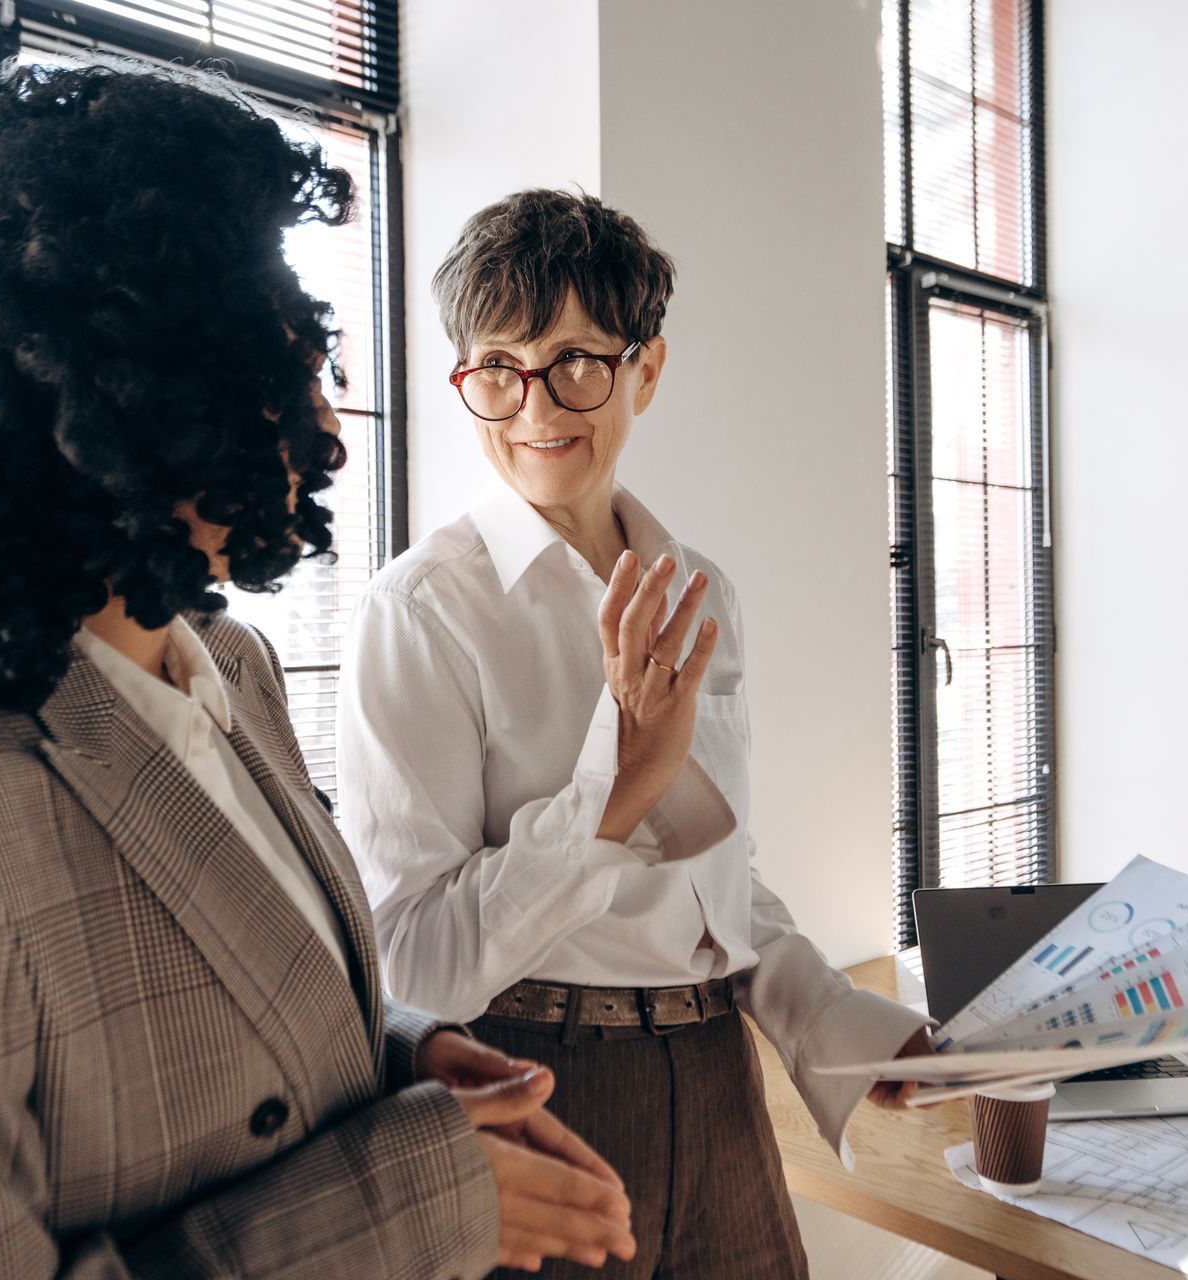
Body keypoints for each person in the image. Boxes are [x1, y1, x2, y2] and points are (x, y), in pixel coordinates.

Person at [0, 63, 637, 1279]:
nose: (330, 429)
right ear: (127, 386)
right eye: (287, 365)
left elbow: (203, 1024)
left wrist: (397, 1054)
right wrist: (423, 1190)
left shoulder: (223, 670)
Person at [337, 189, 933, 1279]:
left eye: (575, 360)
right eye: (499, 366)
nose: (535, 405)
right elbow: (412, 954)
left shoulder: (701, 588)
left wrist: (844, 1021)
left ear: (645, 370)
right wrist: (615, 784)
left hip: (716, 1080)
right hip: (535, 1085)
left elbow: (723, 883)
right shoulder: (419, 609)